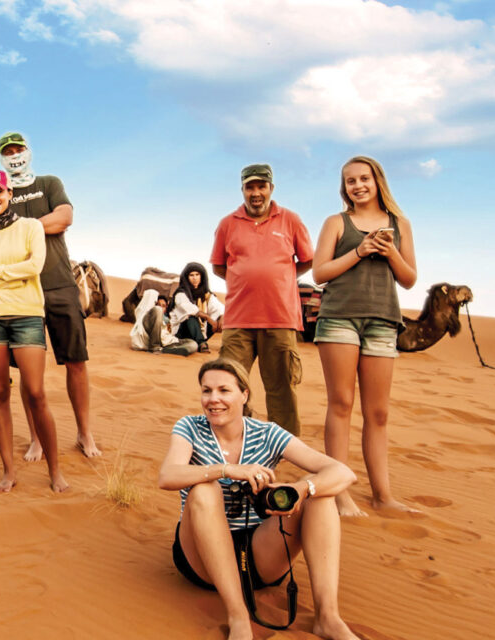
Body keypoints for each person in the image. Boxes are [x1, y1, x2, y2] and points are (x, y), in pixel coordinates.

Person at [158, 359, 360, 640]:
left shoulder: (267, 433)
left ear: (244, 394)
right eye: (206, 391)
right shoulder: (190, 427)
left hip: (260, 551)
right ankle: (238, 616)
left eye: (224, 390)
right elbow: (167, 476)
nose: (213, 399)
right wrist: (227, 470)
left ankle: (328, 617)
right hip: (201, 557)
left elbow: (343, 472)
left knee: (321, 497)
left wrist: (300, 489)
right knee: (204, 490)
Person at [312, 156, 419, 516]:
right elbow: (319, 273)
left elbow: (409, 279)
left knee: (378, 413)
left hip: (383, 321)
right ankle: (339, 493)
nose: (358, 185)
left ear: (378, 181)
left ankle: (382, 496)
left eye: (364, 179)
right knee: (341, 404)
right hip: (339, 319)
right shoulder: (336, 223)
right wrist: (359, 251)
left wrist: (389, 252)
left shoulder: (399, 224)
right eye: (350, 181)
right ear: (344, 188)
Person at [0, 132, 100, 459]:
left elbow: (65, 217)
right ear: (2, 157)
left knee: (76, 361)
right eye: (8, 152)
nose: (14, 155)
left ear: (28, 151)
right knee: (30, 369)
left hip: (59, 284)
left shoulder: (49, 182)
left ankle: (85, 433)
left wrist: (26, 228)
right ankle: (37, 437)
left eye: (18, 149)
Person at [0, 170, 68, 493]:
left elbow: (35, 266)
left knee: (36, 393)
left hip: (26, 315)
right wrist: (14, 274)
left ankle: (55, 471)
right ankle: (9, 471)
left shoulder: (31, 227)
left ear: (9, 193)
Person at [211, 163, 313, 436]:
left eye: (261, 186)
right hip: (238, 320)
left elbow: (306, 260)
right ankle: (228, 439)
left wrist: (280, 277)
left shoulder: (290, 220)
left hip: (279, 318)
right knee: (227, 383)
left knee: (281, 387)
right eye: (250, 187)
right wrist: (245, 280)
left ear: (271, 188)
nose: (256, 193)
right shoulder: (227, 224)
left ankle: (284, 447)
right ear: (242, 189)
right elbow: (219, 266)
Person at [171, 262, 224, 353]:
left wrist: (221, 318)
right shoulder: (181, 294)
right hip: (181, 333)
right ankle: (202, 343)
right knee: (191, 317)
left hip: (200, 332)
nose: (194, 278)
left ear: (202, 277)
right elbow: (191, 310)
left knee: (222, 317)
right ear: (187, 278)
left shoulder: (206, 295)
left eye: (197, 275)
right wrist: (208, 318)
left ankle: (227, 345)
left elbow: (220, 309)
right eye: (191, 275)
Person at [129, 288, 198, 355]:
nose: (161, 308)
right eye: (157, 304)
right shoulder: (147, 317)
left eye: (163, 306)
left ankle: (169, 351)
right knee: (157, 310)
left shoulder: (167, 318)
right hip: (158, 343)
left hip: (169, 342)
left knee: (193, 344)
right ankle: (155, 347)